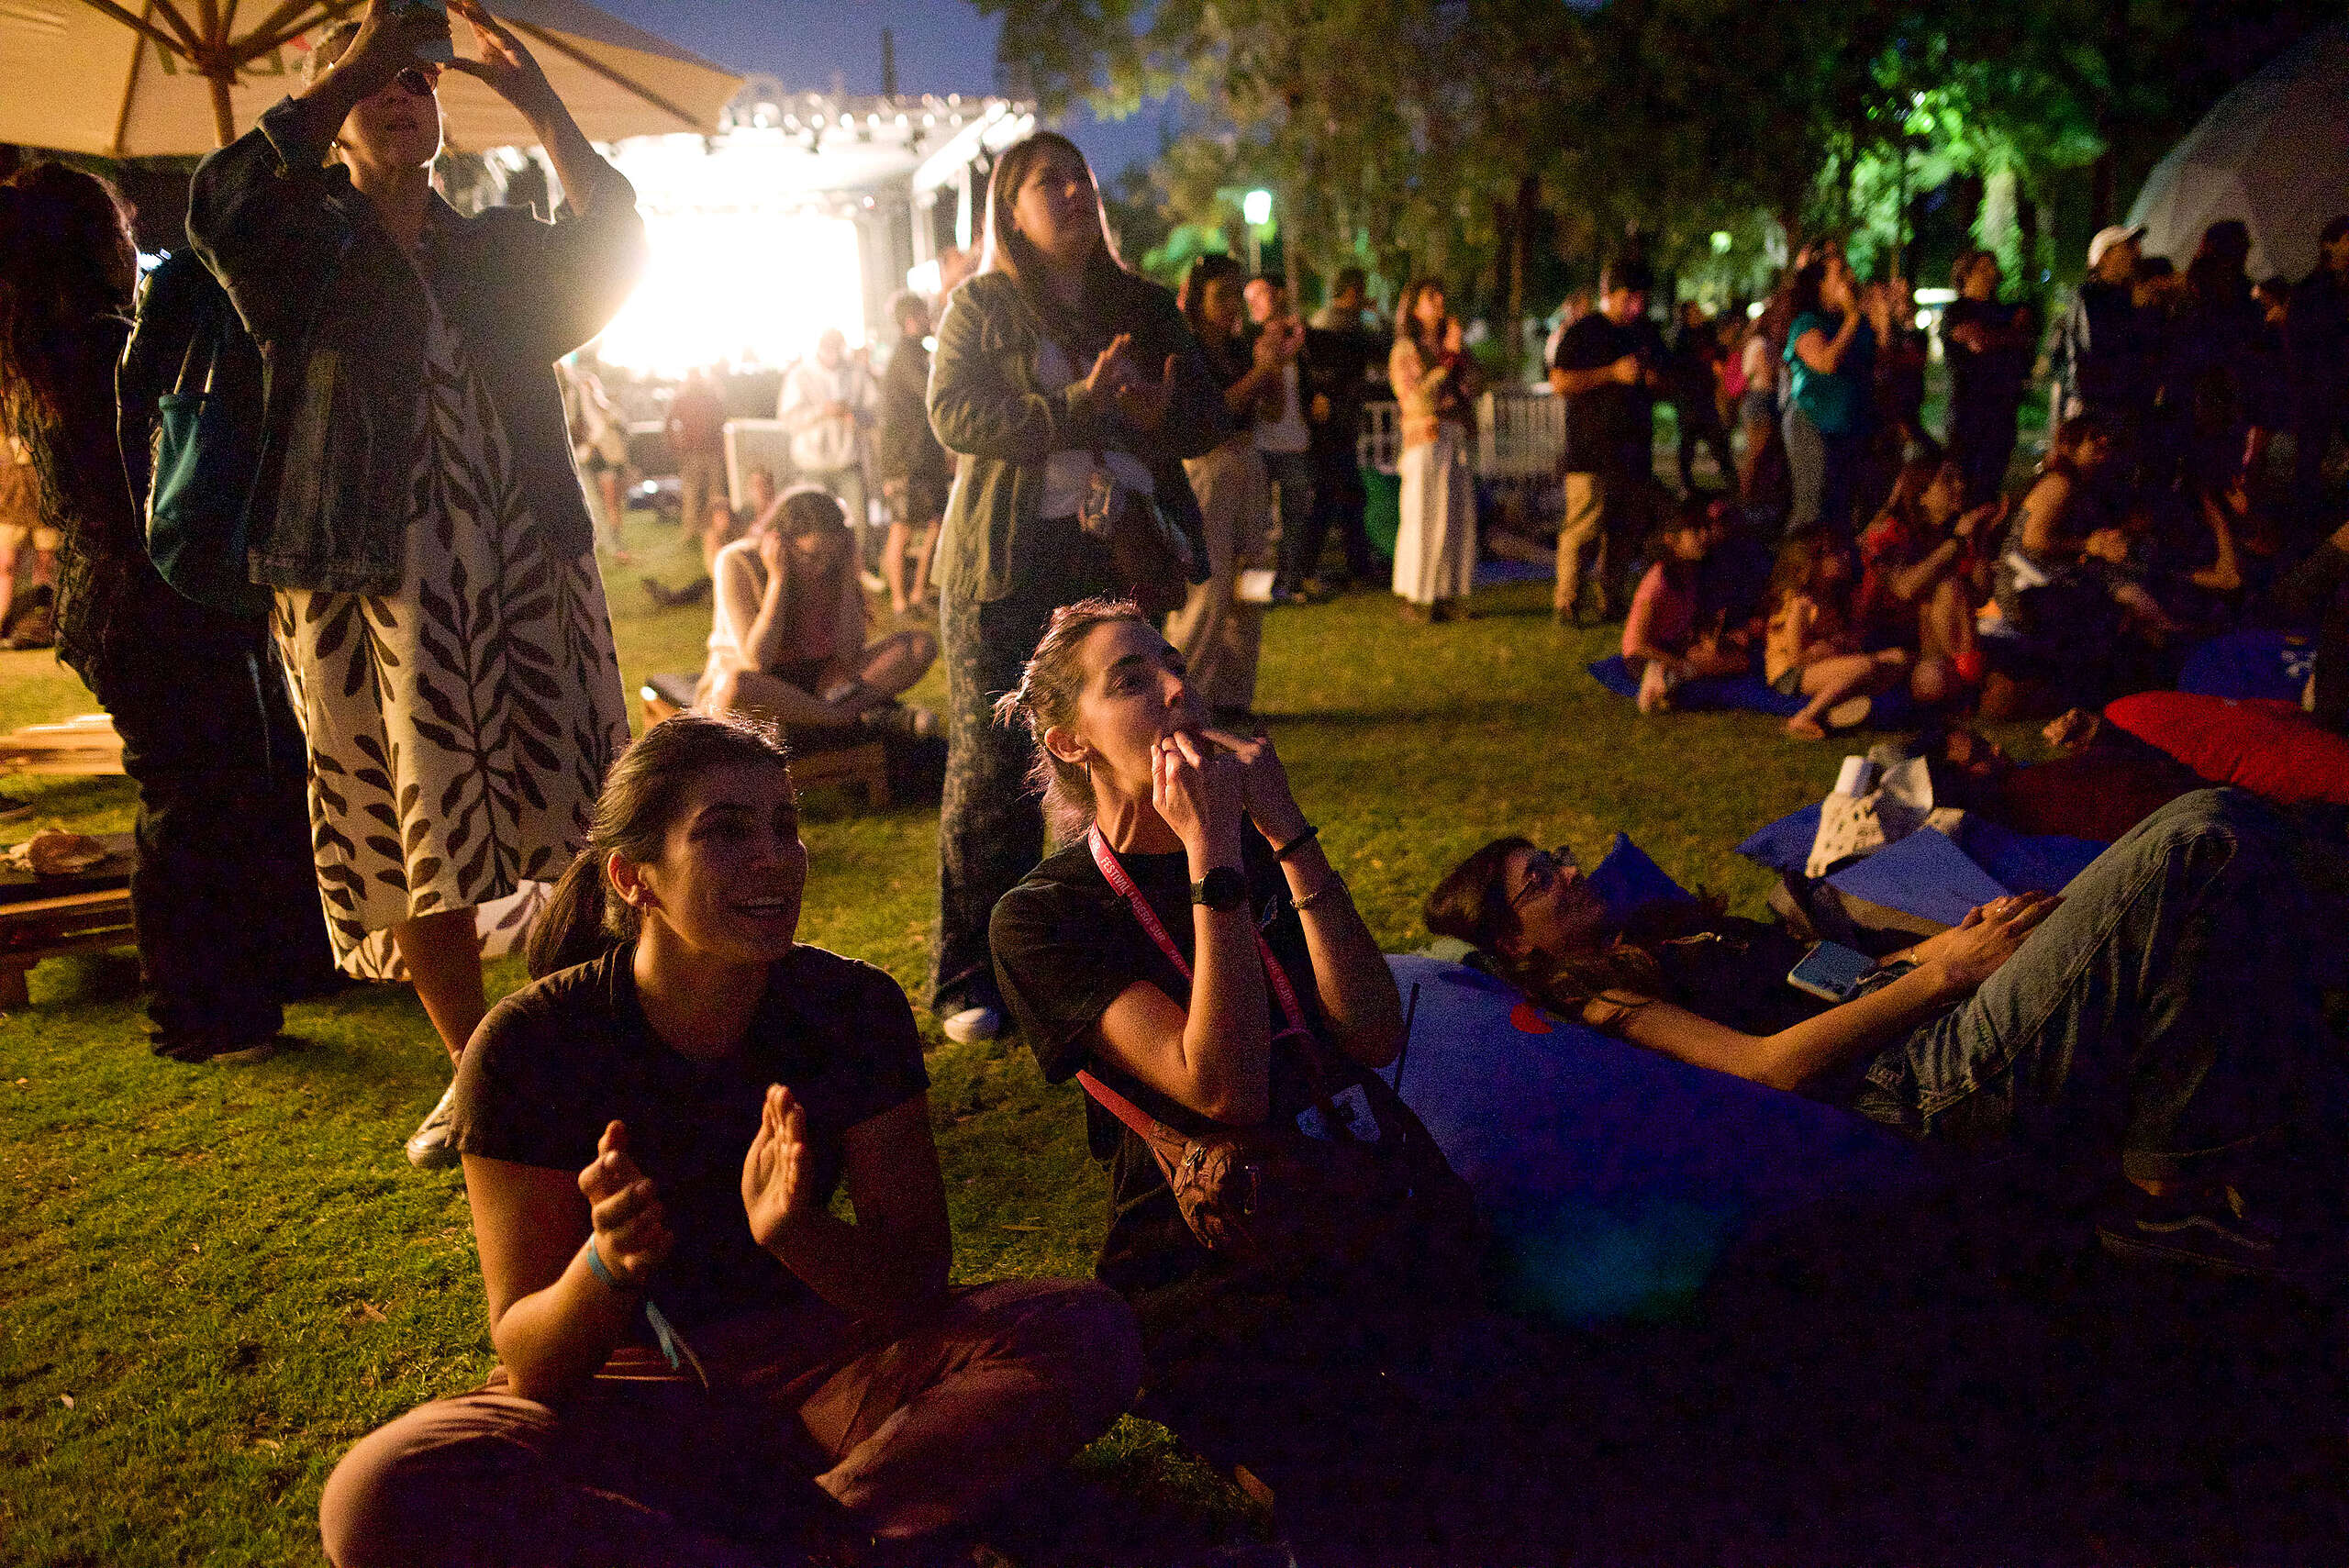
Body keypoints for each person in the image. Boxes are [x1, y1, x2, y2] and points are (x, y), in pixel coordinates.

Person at [317, 712, 1142, 1568]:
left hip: (829, 1371)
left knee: (1085, 1326)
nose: (774, 857)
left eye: (785, 826)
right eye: (724, 831)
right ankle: (844, 1534)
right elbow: (531, 1359)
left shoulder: (851, 1008)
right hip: (625, 1391)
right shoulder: (531, 1043)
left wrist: (797, 1232)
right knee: (379, 1491)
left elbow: (913, 1282)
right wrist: (605, 1264)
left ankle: (805, 1531)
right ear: (635, 879)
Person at [987, 599, 1582, 1562]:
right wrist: (1210, 857)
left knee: (1531, 1423)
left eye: (1173, 664)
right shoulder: (1044, 914)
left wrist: (1288, 832)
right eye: (1132, 679)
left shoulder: (1257, 843)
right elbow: (1219, 1088)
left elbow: (1372, 1029)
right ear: (1070, 738)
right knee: (1383, 1482)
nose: (1177, 690)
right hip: (1220, 1252)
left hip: (1368, 1180)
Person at [187, 0, 640, 1161]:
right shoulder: (299, 246)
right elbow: (219, 207)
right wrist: (349, 63)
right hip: (364, 574)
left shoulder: (488, 247)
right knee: (412, 831)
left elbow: (617, 242)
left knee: (586, 815)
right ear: (336, 100)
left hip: (522, 550)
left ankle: (599, 1046)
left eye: (418, 82)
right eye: (377, 81)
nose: (401, 94)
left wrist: (538, 101)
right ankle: (481, 1071)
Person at [1426, 786, 2347, 1281]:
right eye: (1536, 882)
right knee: (2199, 835)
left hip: (1931, 1010)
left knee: (2198, 859)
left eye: (1552, 858)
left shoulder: (1659, 929)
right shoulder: (1604, 1004)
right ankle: (2166, 1181)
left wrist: (1946, 945)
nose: (1564, 872)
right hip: (1919, 1079)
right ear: (1511, 940)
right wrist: (1948, 973)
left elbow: (1828, 976)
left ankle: (2173, 1168)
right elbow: (1768, 1063)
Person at [1, 162, 338, 1062]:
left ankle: (282, 963)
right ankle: (200, 1012)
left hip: (134, 596)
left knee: (246, 777)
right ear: (90, 241)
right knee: (195, 799)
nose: (132, 225)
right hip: (149, 601)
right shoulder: (102, 343)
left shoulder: (52, 339)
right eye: (118, 217)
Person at [924, 129, 1227, 1045]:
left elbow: (1206, 414)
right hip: (1006, 561)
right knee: (991, 765)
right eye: (1045, 181)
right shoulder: (981, 304)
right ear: (1008, 209)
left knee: (1124, 761)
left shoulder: (1140, 303)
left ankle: (1124, 955)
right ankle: (972, 970)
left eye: (1080, 178)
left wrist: (1156, 411)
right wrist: (1075, 407)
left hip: (1118, 553)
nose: (1071, 191)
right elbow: (955, 411)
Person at [695, 486, 937, 735]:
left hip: (820, 682)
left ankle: (822, 716)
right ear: (779, 542)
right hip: (762, 687)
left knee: (919, 646)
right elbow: (756, 661)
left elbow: (848, 654)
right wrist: (778, 580)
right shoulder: (737, 561)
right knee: (736, 685)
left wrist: (846, 574)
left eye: (829, 557)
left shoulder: (835, 567)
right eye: (810, 558)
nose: (821, 568)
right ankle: (845, 717)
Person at [1549, 260, 1663, 623]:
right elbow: (1561, 382)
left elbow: (1666, 377)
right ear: (1609, 295)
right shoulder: (1584, 332)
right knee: (1583, 526)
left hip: (1632, 451)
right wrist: (1611, 373)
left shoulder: (1645, 334)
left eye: (1641, 298)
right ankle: (1567, 600)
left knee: (1623, 531)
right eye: (1629, 297)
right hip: (1590, 449)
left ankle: (1610, 598)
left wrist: (1654, 379)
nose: (1637, 306)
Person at [1855, 456, 2001, 703]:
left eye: (1958, 478)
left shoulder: (1947, 530)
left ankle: (1970, 681)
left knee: (1950, 588)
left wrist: (1982, 539)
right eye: (1947, 480)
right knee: (1947, 587)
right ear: (1921, 495)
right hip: (1882, 638)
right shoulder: (1889, 532)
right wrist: (1955, 542)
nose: (1960, 486)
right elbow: (1905, 588)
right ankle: (1972, 682)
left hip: (1929, 641)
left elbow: (1979, 596)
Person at [1389, 277, 1479, 623]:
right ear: (1414, 308)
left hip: (1454, 439)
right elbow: (1416, 397)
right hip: (1425, 441)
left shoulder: (1454, 345)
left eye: (1441, 295)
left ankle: (1447, 595)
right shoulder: (1405, 350)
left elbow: (1476, 382)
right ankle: (1413, 598)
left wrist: (1459, 366)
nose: (1439, 301)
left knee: (1456, 520)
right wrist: (1448, 361)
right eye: (1430, 297)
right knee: (1423, 520)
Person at [1765, 532, 1911, 739]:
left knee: (1898, 658)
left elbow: (1851, 638)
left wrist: (1842, 644)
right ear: (1812, 564)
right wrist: (1825, 651)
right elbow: (1796, 658)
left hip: (1829, 662)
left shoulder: (1836, 596)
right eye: (1834, 553)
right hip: (1792, 673)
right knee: (1864, 666)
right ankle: (1804, 718)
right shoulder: (1801, 604)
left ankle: (1836, 708)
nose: (1844, 556)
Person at [1782, 253, 1882, 538]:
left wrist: (1880, 318)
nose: (1850, 276)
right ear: (1821, 285)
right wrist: (1852, 315)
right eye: (1841, 272)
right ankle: (1794, 569)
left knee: (1843, 507)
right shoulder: (1807, 323)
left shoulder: (1853, 323)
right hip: (1811, 424)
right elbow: (1825, 363)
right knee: (1812, 506)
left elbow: (1879, 360)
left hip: (1849, 428)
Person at [1295, 267, 1380, 592]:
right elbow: (1378, 347)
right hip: (1333, 425)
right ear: (1353, 292)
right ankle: (1319, 567)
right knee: (1337, 497)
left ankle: (1331, 566)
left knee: (1337, 497)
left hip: (1333, 424)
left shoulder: (1323, 322)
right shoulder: (1342, 327)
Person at [1622, 502, 1753, 714]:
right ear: (1672, 540)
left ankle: (1669, 680)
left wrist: (1715, 641)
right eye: (1694, 531)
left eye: (1704, 529)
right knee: (1701, 665)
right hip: (1647, 657)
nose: (1704, 536)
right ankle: (1663, 680)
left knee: (1739, 660)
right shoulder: (1657, 582)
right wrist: (1678, 663)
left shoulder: (1690, 573)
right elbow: (1637, 645)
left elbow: (1690, 623)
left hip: (1677, 649)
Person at [873, 292, 950, 616]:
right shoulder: (905, 358)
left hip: (924, 458)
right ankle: (900, 600)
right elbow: (931, 391)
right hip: (904, 461)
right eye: (922, 315)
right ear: (909, 321)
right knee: (901, 527)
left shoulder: (917, 353)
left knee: (935, 522)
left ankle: (917, 593)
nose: (928, 320)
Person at [778, 328, 877, 573]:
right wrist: (822, 411)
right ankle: (818, 568)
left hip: (847, 458)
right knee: (815, 520)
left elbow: (874, 408)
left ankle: (856, 568)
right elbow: (788, 418)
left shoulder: (856, 372)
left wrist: (856, 416)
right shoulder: (800, 375)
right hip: (812, 461)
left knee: (858, 518)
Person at [1243, 277, 1318, 602]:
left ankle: (1291, 581)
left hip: (1295, 440)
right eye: (1254, 295)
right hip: (1261, 442)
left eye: (1266, 292)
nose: (1262, 299)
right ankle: (1262, 584)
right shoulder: (1246, 341)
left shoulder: (1297, 339)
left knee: (1297, 516)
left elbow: (1308, 381)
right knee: (1259, 519)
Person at [1942, 250, 2034, 506]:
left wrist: (1999, 337)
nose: (1992, 273)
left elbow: (2022, 343)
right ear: (1966, 274)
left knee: (1990, 490)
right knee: (1963, 490)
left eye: (1993, 267)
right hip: (1968, 417)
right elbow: (1977, 341)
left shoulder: (2006, 311)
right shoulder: (1956, 311)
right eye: (1983, 268)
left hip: (2001, 416)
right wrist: (2009, 336)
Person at [2053, 225, 2155, 431]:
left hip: (2124, 411)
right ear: (2104, 257)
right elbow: (2100, 348)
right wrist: (2139, 313)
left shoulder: (2129, 296)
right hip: (2097, 414)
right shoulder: (2088, 297)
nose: (2137, 252)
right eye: (2128, 246)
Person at [2287, 217, 2349, 531]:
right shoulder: (2311, 292)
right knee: (2310, 457)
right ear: (2329, 245)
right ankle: (2306, 521)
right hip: (2319, 389)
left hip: (2337, 386)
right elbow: (2301, 345)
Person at [562, 355, 633, 562]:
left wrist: (590, 444)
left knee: (607, 503)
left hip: (598, 456)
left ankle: (612, 545)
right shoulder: (571, 395)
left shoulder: (591, 400)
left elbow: (603, 426)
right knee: (596, 503)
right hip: (586, 455)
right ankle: (610, 545)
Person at [1665, 301, 1735, 495]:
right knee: (1688, 441)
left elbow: (1717, 353)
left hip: (1705, 397)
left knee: (1717, 439)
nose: (1699, 314)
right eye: (1694, 311)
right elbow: (1682, 366)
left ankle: (1731, 480)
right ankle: (1686, 484)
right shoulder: (1682, 338)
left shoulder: (1706, 332)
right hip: (1689, 399)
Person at [665, 365, 728, 565]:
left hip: (711, 452)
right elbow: (668, 424)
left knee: (714, 494)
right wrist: (676, 446)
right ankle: (690, 532)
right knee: (691, 494)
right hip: (692, 453)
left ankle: (716, 531)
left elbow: (722, 419)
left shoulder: (711, 397)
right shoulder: (682, 399)